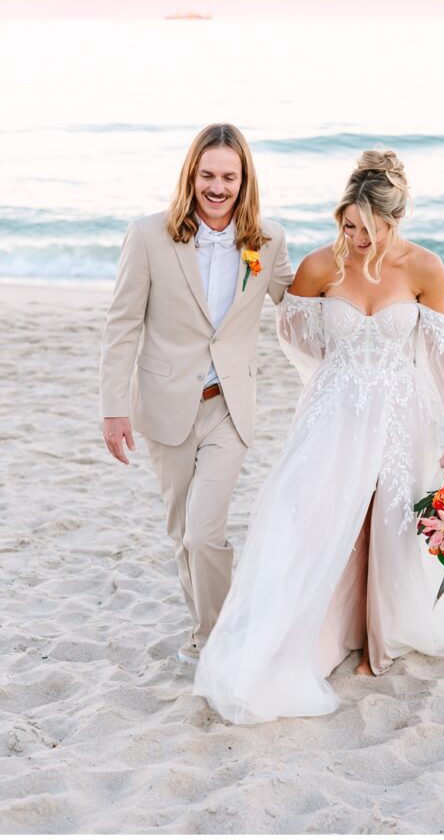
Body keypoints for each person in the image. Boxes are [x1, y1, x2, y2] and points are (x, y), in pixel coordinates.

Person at [193, 149, 444, 723]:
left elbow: (440, 359)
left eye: (369, 228)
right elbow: (298, 339)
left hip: (399, 415)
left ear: (394, 220)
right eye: (348, 224)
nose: (356, 237)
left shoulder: (425, 269)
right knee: (308, 512)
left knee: (386, 521)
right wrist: (339, 372)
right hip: (333, 411)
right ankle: (308, 634)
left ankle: (373, 631)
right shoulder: (319, 267)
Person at [99, 123, 293, 664]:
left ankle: (218, 641)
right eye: (208, 174)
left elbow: (296, 302)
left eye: (229, 176)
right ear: (192, 175)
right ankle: (208, 627)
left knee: (206, 534)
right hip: (164, 406)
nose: (218, 186)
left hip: (229, 407)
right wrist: (114, 409)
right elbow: (122, 326)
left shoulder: (268, 239)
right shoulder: (147, 235)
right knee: (183, 535)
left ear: (244, 180)